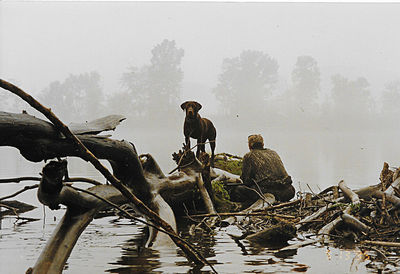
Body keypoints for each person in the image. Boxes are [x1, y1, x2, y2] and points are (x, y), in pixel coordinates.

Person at [237, 134, 295, 206]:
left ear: (249, 145)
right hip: (288, 192)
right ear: (262, 144)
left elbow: (246, 180)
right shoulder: (273, 153)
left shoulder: (249, 156)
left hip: (268, 192)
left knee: (238, 190)